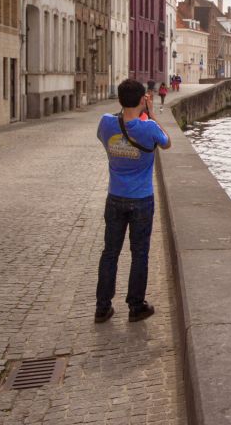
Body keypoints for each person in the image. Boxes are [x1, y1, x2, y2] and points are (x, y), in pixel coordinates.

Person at [94, 79, 171, 323]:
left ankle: (102, 307)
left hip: (115, 197)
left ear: (119, 99)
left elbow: (105, 137)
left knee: (110, 253)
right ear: (142, 100)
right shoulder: (147, 129)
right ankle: (135, 305)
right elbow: (167, 142)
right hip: (141, 199)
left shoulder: (106, 123)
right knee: (139, 253)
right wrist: (149, 115)